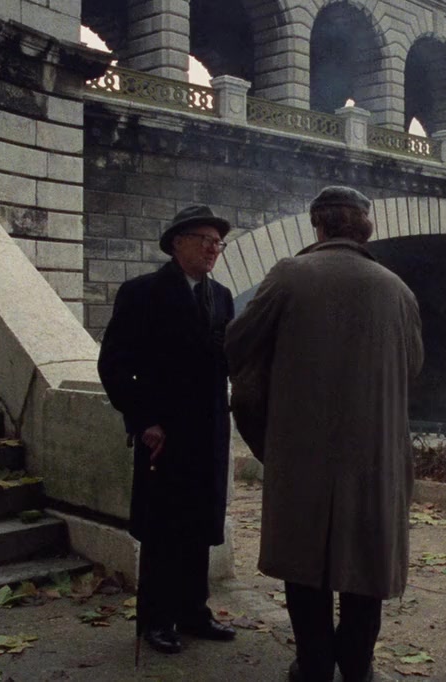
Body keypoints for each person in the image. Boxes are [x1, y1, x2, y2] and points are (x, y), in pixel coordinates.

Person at [226, 187, 424, 682]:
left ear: (318, 225)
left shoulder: (290, 275)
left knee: (305, 561)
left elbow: (237, 346)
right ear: (365, 229)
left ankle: (314, 664)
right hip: (376, 456)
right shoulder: (399, 290)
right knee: (367, 562)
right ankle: (357, 664)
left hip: (302, 451)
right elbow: (413, 366)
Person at [97, 205, 238, 655]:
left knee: (199, 524)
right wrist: (144, 420)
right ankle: (156, 620)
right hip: (164, 433)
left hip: (209, 431)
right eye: (205, 240)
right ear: (177, 242)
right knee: (163, 528)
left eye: (218, 243)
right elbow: (115, 365)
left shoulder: (223, 297)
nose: (213, 249)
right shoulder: (141, 293)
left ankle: (194, 611)